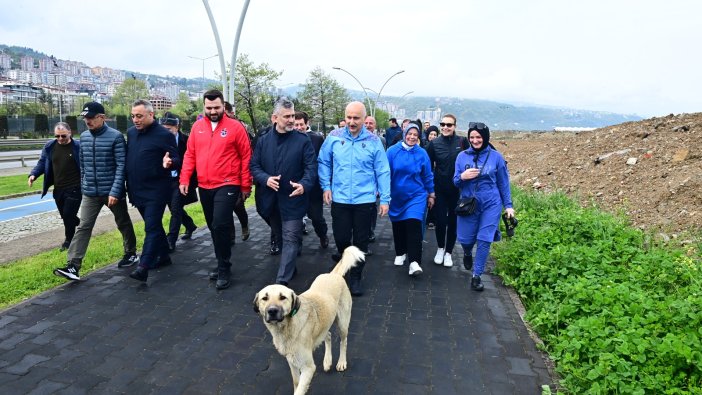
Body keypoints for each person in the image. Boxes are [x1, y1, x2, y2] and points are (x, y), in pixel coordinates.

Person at [53, 102, 138, 281]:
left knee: (122, 222)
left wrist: (115, 191)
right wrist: (85, 185)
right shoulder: (83, 137)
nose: (87, 121)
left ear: (102, 117)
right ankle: (73, 266)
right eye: (85, 118)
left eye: (91, 117)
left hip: (111, 192)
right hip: (90, 192)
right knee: (83, 226)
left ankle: (130, 253)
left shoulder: (115, 137)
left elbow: (121, 165)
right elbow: (82, 164)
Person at [180, 89, 252, 290]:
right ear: (204, 106)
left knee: (220, 224)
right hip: (205, 185)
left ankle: (224, 267)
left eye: (217, 107)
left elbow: (246, 156)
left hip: (228, 183)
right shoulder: (197, 128)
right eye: (209, 107)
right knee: (213, 226)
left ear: (223, 106)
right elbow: (190, 155)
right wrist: (185, 178)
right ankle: (221, 261)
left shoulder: (235, 127)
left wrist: (246, 185)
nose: (213, 111)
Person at [318, 101, 391, 296]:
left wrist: (385, 198)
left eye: (356, 118)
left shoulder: (374, 141)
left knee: (360, 242)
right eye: (348, 117)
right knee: (342, 238)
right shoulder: (333, 138)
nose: (351, 122)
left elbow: (382, 170)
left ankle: (356, 276)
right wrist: (326, 186)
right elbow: (324, 162)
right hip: (340, 199)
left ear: (364, 119)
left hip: (364, 200)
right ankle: (344, 265)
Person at [251, 98, 317, 286]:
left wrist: (304, 185)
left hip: (293, 200)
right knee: (281, 238)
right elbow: (254, 166)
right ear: (275, 117)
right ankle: (291, 264)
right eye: (286, 116)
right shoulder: (263, 141)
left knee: (290, 238)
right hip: (270, 202)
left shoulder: (303, 141)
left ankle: (281, 283)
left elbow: (311, 167)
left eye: (292, 116)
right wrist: (265, 179)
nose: (290, 120)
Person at [454, 122, 515, 291]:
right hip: (469, 203)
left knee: (484, 238)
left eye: (478, 137)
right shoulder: (462, 156)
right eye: (472, 137)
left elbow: (503, 183)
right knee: (466, 239)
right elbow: (455, 181)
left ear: (485, 137)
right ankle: (467, 252)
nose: (475, 140)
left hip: (491, 203)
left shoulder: (496, 157)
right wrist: (463, 176)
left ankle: (477, 275)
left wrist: (508, 206)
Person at [124, 100, 180, 282]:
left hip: (156, 191)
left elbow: (178, 158)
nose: (135, 120)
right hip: (136, 190)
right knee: (155, 227)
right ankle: (163, 256)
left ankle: (144, 266)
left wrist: (170, 162)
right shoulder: (131, 133)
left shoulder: (164, 135)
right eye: (133, 116)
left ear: (151, 115)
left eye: (139, 116)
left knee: (151, 226)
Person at [386, 123, 434, 277]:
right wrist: (383, 194)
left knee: (413, 224)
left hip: (416, 196)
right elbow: (385, 173)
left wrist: (431, 193)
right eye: (410, 134)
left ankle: (414, 262)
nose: (412, 137)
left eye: (416, 135)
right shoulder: (392, 152)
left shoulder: (422, 153)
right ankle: (400, 252)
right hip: (397, 195)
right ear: (404, 133)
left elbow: (427, 175)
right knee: (398, 224)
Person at [28, 122, 81, 251]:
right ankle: (75, 221)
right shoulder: (50, 146)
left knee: (68, 215)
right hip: (58, 189)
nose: (60, 139)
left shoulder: (78, 147)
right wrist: (33, 174)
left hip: (75, 188)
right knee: (65, 216)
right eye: (57, 136)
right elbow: (42, 163)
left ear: (70, 133)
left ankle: (69, 241)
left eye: (63, 136)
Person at [426, 113, 468, 268]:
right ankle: (440, 249)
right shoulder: (434, 143)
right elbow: (427, 167)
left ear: (454, 126)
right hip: (440, 189)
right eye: (442, 124)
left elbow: (475, 155)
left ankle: (449, 252)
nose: (445, 127)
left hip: (457, 190)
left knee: (453, 222)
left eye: (449, 125)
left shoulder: (463, 142)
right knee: (441, 221)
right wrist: (429, 190)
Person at [160, 112, 198, 250]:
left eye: (168, 129)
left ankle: (171, 241)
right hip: (165, 179)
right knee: (174, 208)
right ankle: (190, 225)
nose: (165, 132)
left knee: (175, 209)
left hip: (181, 180)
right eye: (163, 128)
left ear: (177, 127)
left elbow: (192, 161)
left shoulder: (187, 141)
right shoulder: (159, 141)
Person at [294, 110, 329, 249]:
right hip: (295, 185)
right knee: (294, 220)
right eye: (295, 124)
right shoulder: (289, 138)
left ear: (307, 124)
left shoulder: (317, 139)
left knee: (316, 217)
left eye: (301, 124)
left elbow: (323, 162)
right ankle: (296, 245)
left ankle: (322, 235)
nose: (298, 127)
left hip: (313, 186)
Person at [224, 101, 251, 242]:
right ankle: (230, 235)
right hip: (222, 178)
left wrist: (246, 181)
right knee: (225, 208)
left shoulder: (238, 127)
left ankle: (244, 225)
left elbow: (246, 154)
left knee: (237, 205)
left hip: (237, 175)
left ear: (230, 113)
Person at [363, 115, 386, 249]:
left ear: (375, 126)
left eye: (371, 123)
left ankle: (370, 231)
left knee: (372, 209)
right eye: (366, 122)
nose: (368, 125)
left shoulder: (380, 140)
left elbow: (381, 163)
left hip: (374, 181)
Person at [425, 125, 439, 229]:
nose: (433, 136)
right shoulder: (423, 147)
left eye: (435, 134)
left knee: (433, 197)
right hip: (425, 175)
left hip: (436, 176)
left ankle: (432, 219)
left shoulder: (439, 147)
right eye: (431, 134)